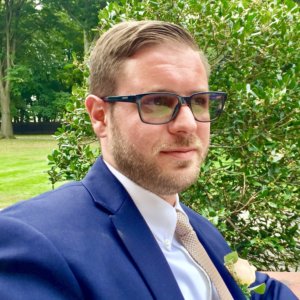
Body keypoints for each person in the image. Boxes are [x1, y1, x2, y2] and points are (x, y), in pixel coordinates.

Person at [0, 20, 296, 300]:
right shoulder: (35, 245)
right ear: (100, 116)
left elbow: (263, 291)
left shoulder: (197, 229)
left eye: (199, 101)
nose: (188, 124)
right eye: (157, 102)